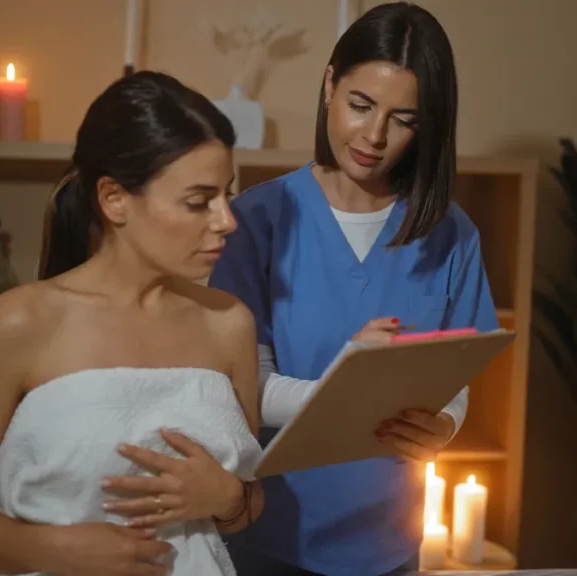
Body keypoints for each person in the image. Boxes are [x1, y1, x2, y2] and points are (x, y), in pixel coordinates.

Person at [0, 71, 265, 576]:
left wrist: (228, 498)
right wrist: (50, 549)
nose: (227, 220)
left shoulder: (229, 325)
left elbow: (246, 504)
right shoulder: (21, 323)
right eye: (198, 201)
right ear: (114, 198)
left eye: (227, 194)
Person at [207, 3, 500, 575]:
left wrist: (444, 426)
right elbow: (245, 390)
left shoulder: (452, 235)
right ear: (328, 86)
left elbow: (455, 371)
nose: (374, 135)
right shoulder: (257, 222)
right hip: (268, 536)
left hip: (389, 543)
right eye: (360, 105)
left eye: (404, 119)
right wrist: (346, 382)